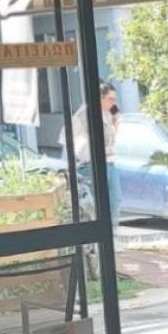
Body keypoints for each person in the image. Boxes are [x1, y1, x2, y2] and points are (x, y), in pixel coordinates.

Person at [64, 81, 121, 226]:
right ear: (100, 98)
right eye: (110, 99)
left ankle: (112, 232)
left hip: (110, 162)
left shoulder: (108, 113)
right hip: (92, 164)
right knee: (97, 206)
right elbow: (68, 139)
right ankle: (101, 235)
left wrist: (116, 119)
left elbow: (113, 136)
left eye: (114, 99)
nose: (113, 103)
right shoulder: (85, 114)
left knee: (115, 200)